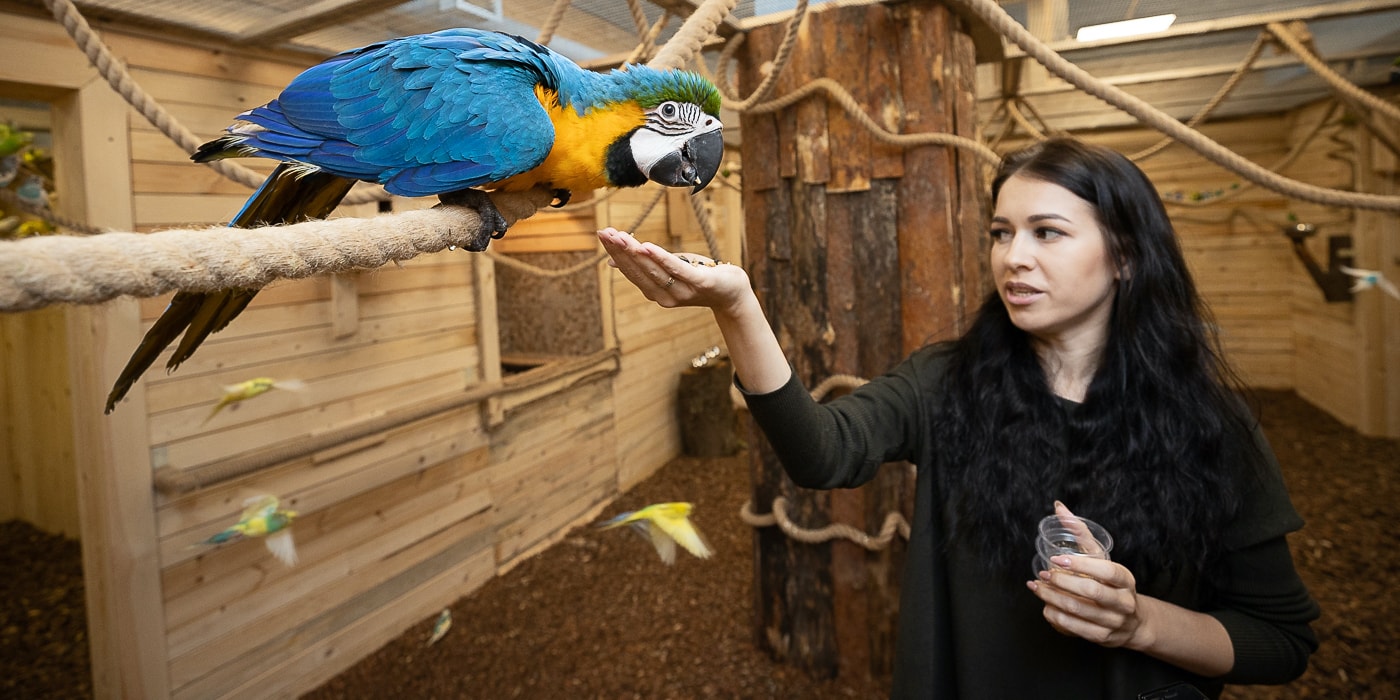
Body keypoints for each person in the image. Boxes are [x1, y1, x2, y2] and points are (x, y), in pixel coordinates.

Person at [596, 137, 1319, 699]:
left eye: (1047, 233)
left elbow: (1280, 641)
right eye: (1002, 233)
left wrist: (1140, 623)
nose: (1014, 258)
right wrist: (736, 306)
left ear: (1125, 255)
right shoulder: (947, 380)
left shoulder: (1211, 425)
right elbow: (822, 454)